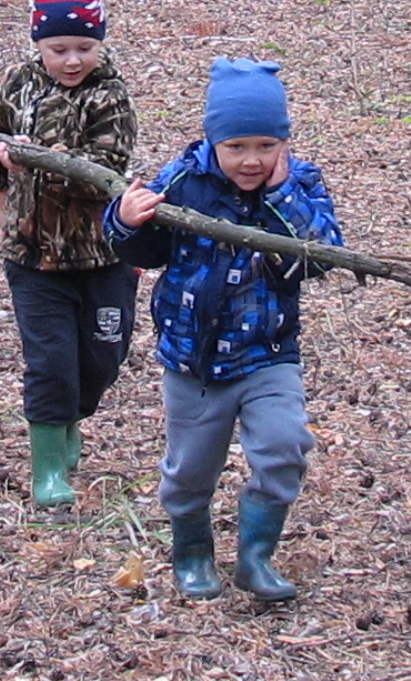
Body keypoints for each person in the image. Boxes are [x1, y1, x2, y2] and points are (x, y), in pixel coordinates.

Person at [103, 58, 342, 601]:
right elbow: (145, 252)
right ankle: (191, 551)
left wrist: (282, 197)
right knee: (190, 470)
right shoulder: (184, 180)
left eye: (266, 146)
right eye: (236, 147)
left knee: (284, 446)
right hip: (193, 360)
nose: (251, 160)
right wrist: (125, 221)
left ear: (284, 143)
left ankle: (256, 558)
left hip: (268, 353)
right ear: (213, 140)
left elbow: (323, 254)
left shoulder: (299, 185)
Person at [0, 0, 138, 509]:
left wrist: (41, 158)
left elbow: (106, 168)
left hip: (102, 255)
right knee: (49, 363)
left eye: (84, 48)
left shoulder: (110, 93)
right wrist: (4, 173)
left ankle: (73, 415)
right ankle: (47, 467)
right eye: (58, 49)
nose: (72, 61)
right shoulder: (16, 84)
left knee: (102, 358)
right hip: (33, 258)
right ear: (38, 43)